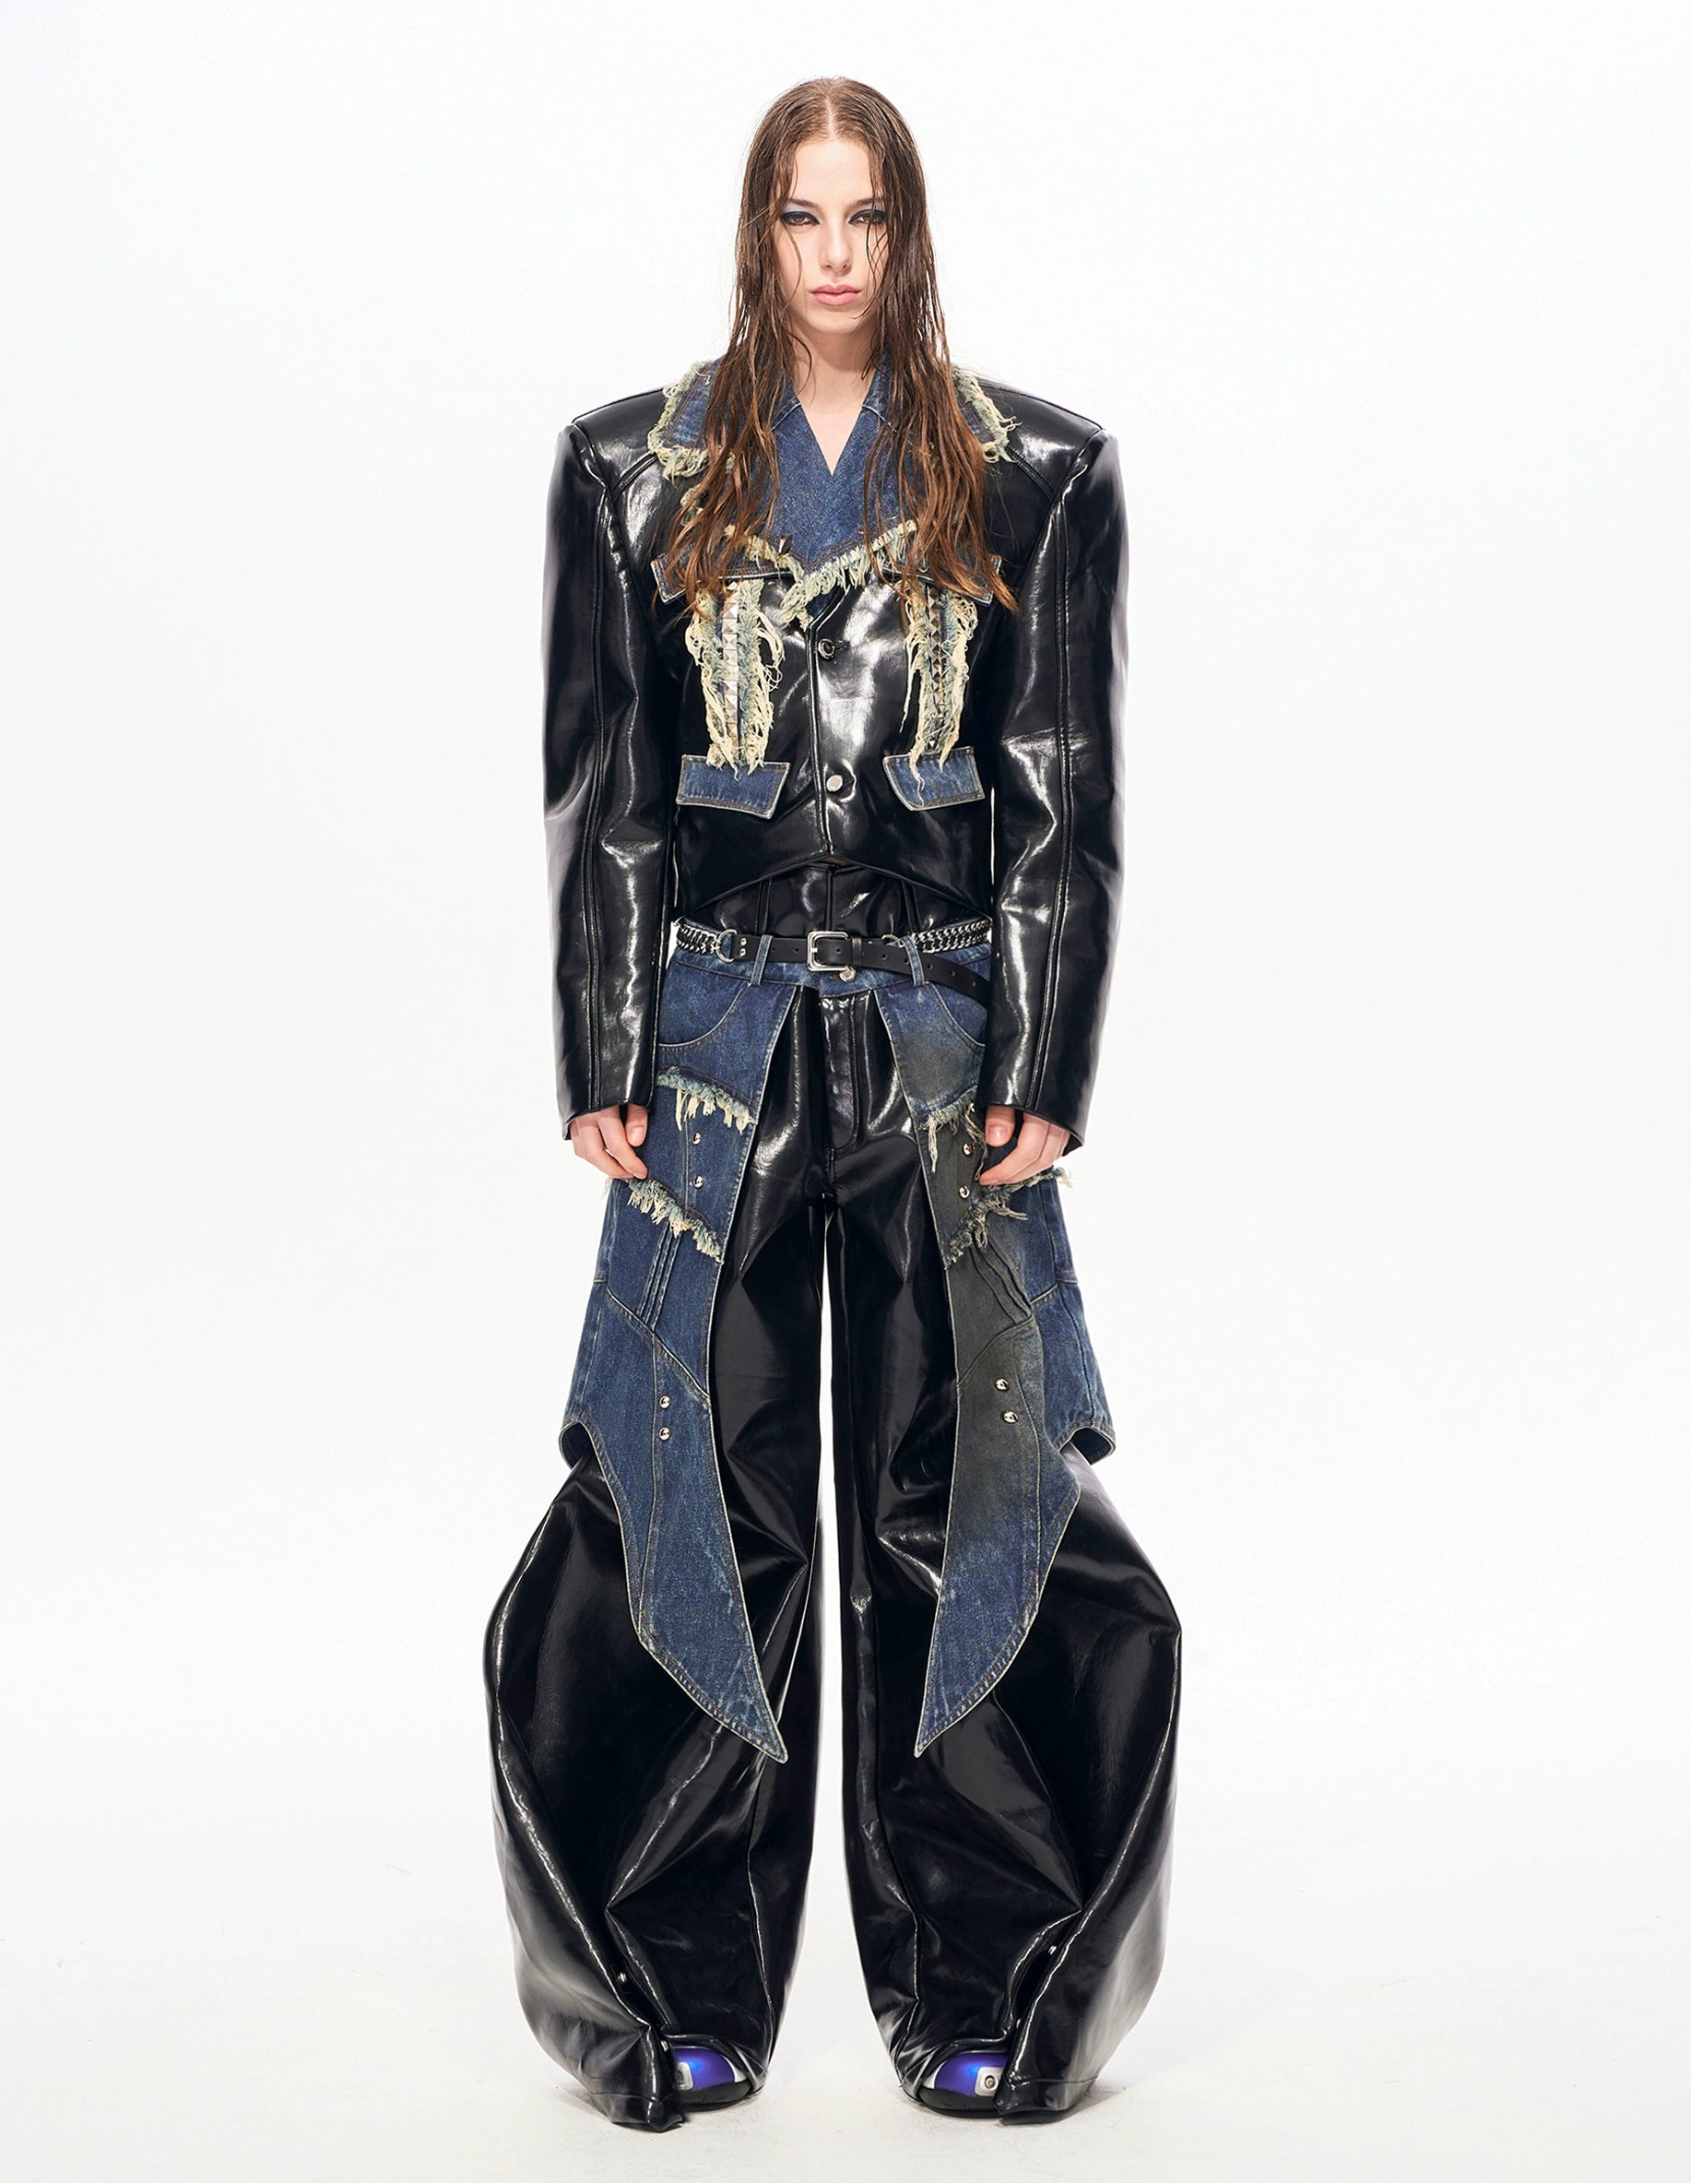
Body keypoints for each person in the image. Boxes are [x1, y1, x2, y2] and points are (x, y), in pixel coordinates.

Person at [484, 76, 1181, 2134]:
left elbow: (1062, 794)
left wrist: (1045, 1059)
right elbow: (604, 786)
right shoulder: (629, 469)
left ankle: (998, 1973)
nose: (836, 255)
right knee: (692, 1494)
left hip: (944, 1051)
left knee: (965, 1497)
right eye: (803, 215)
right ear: (756, 231)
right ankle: (662, 1978)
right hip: (707, 1051)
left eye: (866, 215)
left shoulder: (1036, 472)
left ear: (910, 230)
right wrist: (601, 1043)